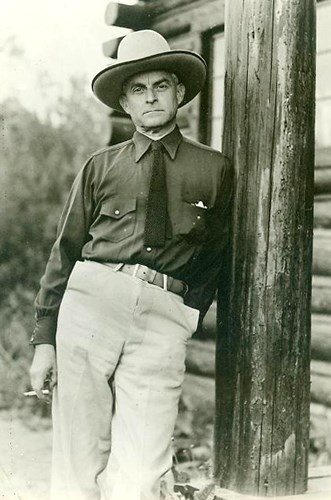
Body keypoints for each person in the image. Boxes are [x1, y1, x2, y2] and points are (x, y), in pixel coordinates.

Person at [29, 30, 233, 500]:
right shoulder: (100, 167)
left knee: (143, 470)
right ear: (125, 101)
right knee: (78, 460)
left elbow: (216, 257)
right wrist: (44, 340)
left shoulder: (214, 169)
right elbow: (64, 252)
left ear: (179, 92)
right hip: (92, 307)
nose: (151, 98)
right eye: (138, 90)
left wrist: (186, 316)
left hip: (163, 319)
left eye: (160, 86)